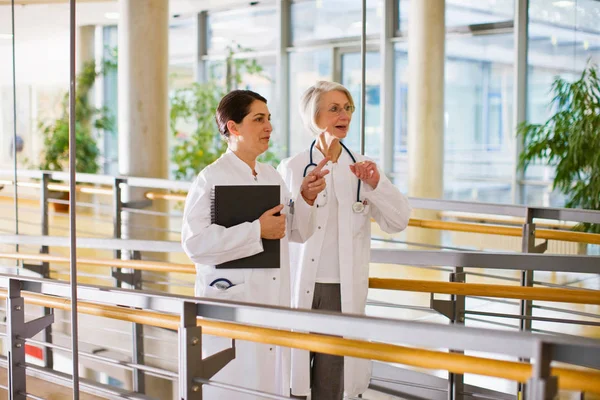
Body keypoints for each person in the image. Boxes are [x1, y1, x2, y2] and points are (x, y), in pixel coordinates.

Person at [181, 90, 329, 399]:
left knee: (270, 386)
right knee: (235, 387)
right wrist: (255, 230)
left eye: (269, 119)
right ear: (233, 128)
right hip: (233, 302)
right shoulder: (211, 179)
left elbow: (296, 233)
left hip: (273, 303)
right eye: (258, 119)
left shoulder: (272, 176)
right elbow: (195, 244)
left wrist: (306, 198)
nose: (269, 127)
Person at [278, 81, 411, 399]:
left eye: (348, 108)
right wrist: (305, 196)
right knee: (292, 380)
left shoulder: (363, 168)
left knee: (332, 385)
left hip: (342, 290)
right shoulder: (293, 167)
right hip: (299, 287)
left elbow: (398, 221)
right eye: (335, 108)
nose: (344, 115)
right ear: (314, 115)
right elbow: (284, 230)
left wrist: (377, 185)